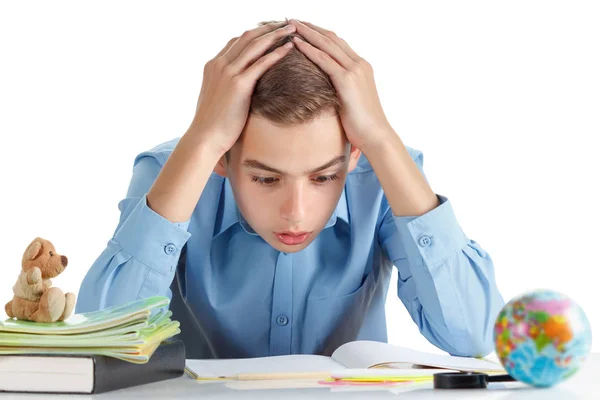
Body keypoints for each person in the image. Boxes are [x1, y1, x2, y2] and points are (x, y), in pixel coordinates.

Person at [75, 18, 505, 359]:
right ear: (223, 157)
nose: (296, 212)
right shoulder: (173, 170)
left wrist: (382, 140)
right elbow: (105, 338)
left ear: (354, 154)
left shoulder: (382, 172)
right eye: (265, 178)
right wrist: (201, 141)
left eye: (323, 177)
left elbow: (475, 334)